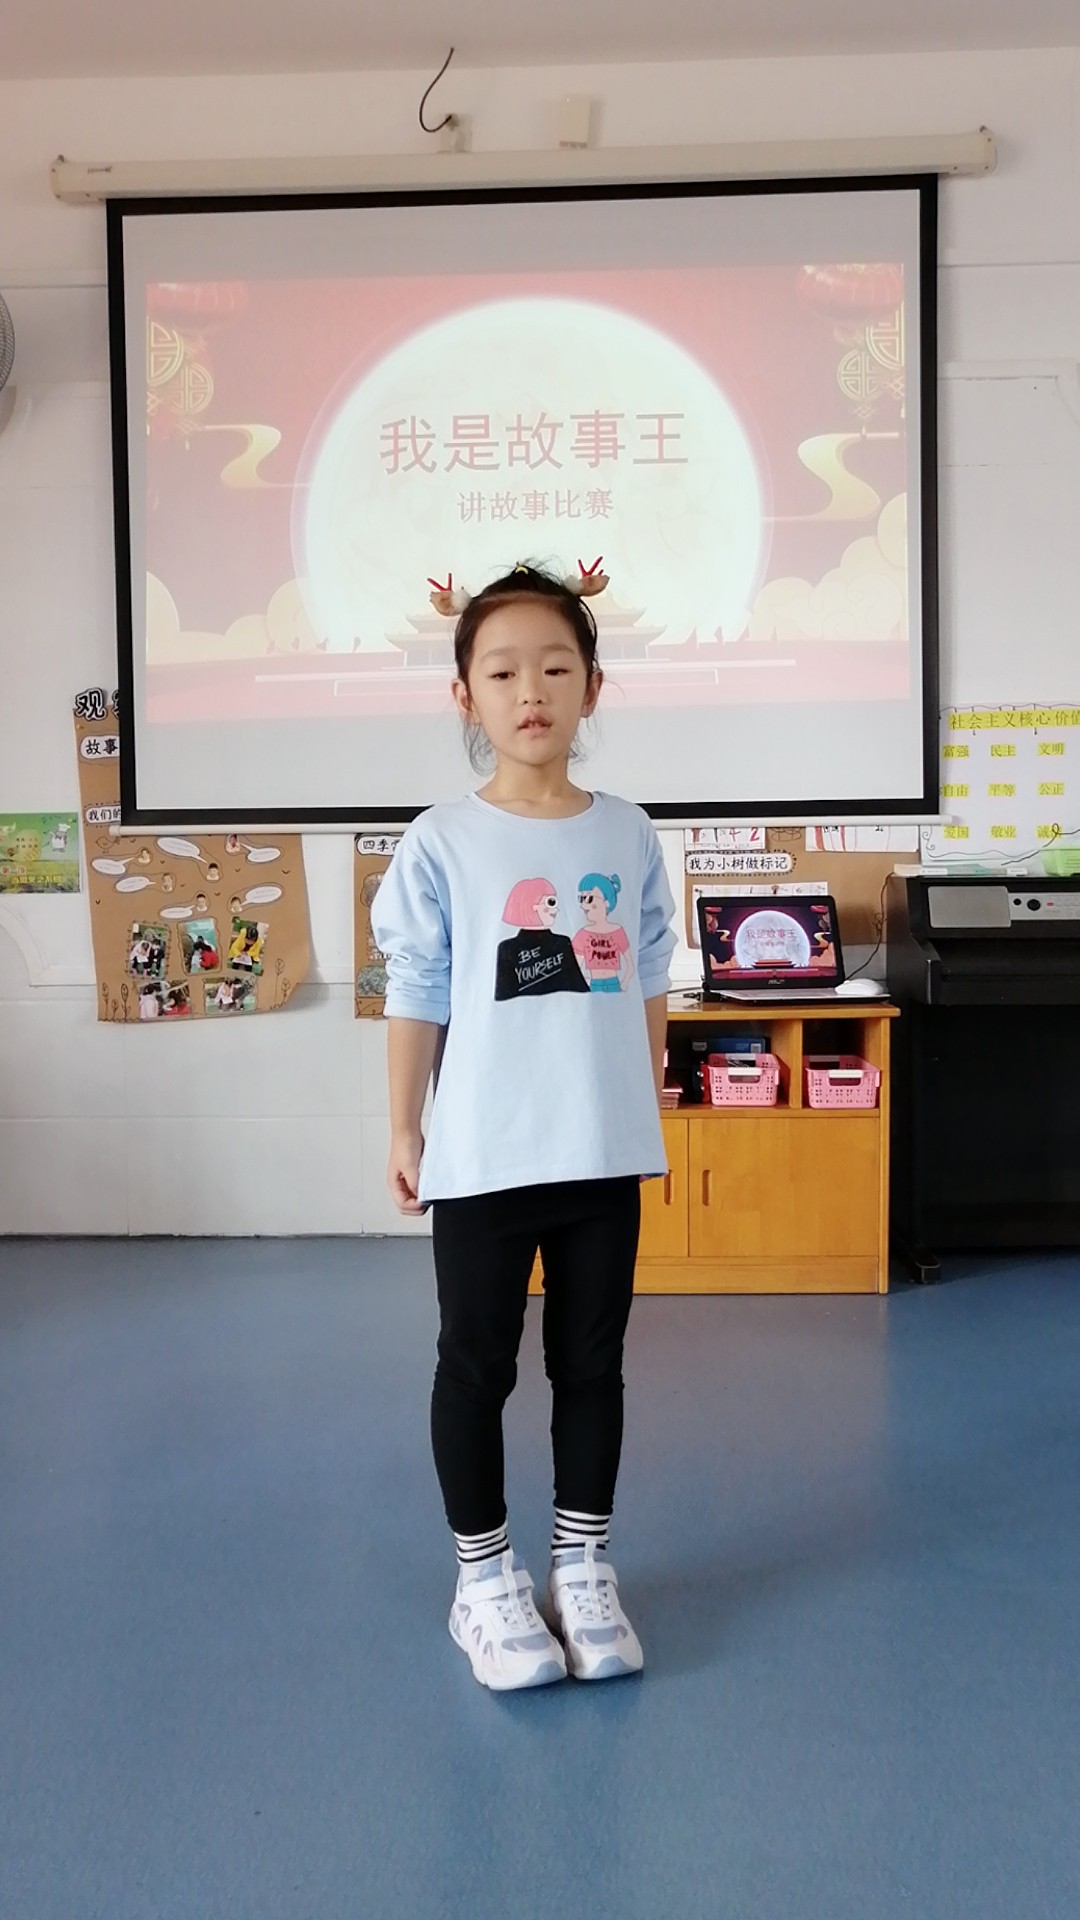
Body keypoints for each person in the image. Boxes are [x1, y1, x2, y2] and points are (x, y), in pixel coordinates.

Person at [372, 562, 676, 1694]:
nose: (531, 690)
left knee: (593, 1364)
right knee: (476, 1364)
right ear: (465, 695)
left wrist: (644, 1093)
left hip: (599, 1151)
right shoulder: (443, 840)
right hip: (485, 1155)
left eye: (555, 666)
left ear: (592, 686)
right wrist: (404, 1128)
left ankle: (582, 1565)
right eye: (501, 672)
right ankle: (485, 1581)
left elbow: (647, 973)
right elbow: (417, 988)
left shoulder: (627, 833)